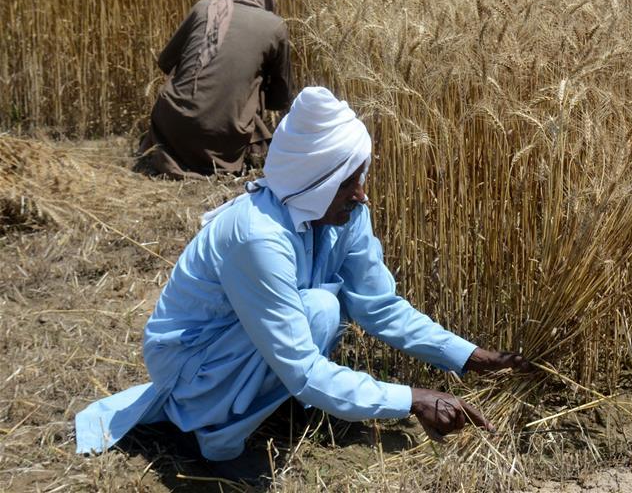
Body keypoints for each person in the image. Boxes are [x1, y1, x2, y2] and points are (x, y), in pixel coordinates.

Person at [78, 86, 529, 483]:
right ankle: (213, 444)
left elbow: (378, 307)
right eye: (349, 180)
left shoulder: (343, 213)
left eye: (361, 175)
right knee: (318, 310)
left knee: (322, 309)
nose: (362, 192)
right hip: (191, 363)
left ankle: (261, 407)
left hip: (243, 350)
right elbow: (303, 368)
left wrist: (467, 356)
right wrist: (411, 399)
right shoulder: (258, 235)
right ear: (315, 181)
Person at [137, 0, 294, 178]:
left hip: (172, 129)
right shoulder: (275, 25)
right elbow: (281, 99)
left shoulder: (204, 7)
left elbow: (165, 62)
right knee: (251, 86)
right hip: (224, 137)